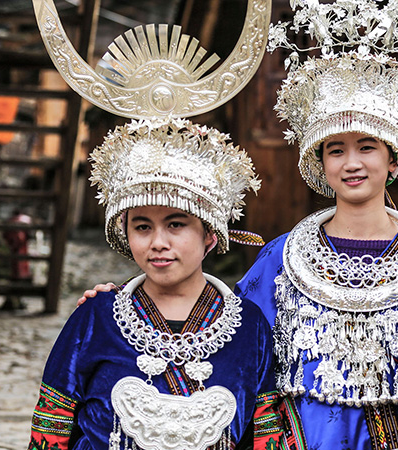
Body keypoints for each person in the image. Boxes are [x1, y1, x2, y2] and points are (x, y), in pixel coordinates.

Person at [234, 2, 398, 449]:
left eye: (367, 147)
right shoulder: (281, 259)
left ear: (394, 158)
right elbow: (227, 335)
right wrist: (132, 298)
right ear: (320, 163)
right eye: (336, 150)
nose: (352, 163)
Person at [28, 118, 276, 450]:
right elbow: (51, 424)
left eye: (176, 224)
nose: (158, 242)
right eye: (143, 227)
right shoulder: (96, 318)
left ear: (210, 236)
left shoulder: (250, 327)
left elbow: (268, 434)